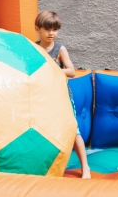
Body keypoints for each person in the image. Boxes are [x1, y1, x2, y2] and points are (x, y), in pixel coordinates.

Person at [35, 10, 91, 179]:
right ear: (38, 29)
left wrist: (53, 68)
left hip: (62, 96)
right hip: (44, 96)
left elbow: (71, 71)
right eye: (47, 29)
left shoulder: (59, 49)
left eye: (55, 30)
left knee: (74, 131)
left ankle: (85, 167)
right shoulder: (35, 48)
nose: (51, 33)